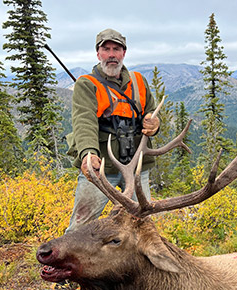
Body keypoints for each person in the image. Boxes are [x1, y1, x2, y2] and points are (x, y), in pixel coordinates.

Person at [65, 28, 160, 235]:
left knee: (144, 223)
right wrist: (89, 153)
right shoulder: (87, 84)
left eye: (116, 49)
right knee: (81, 226)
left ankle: (140, 266)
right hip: (101, 167)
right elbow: (84, 121)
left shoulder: (138, 81)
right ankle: (66, 264)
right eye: (105, 49)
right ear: (98, 54)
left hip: (136, 164)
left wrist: (154, 123)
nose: (111, 55)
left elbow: (151, 111)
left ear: (123, 53)